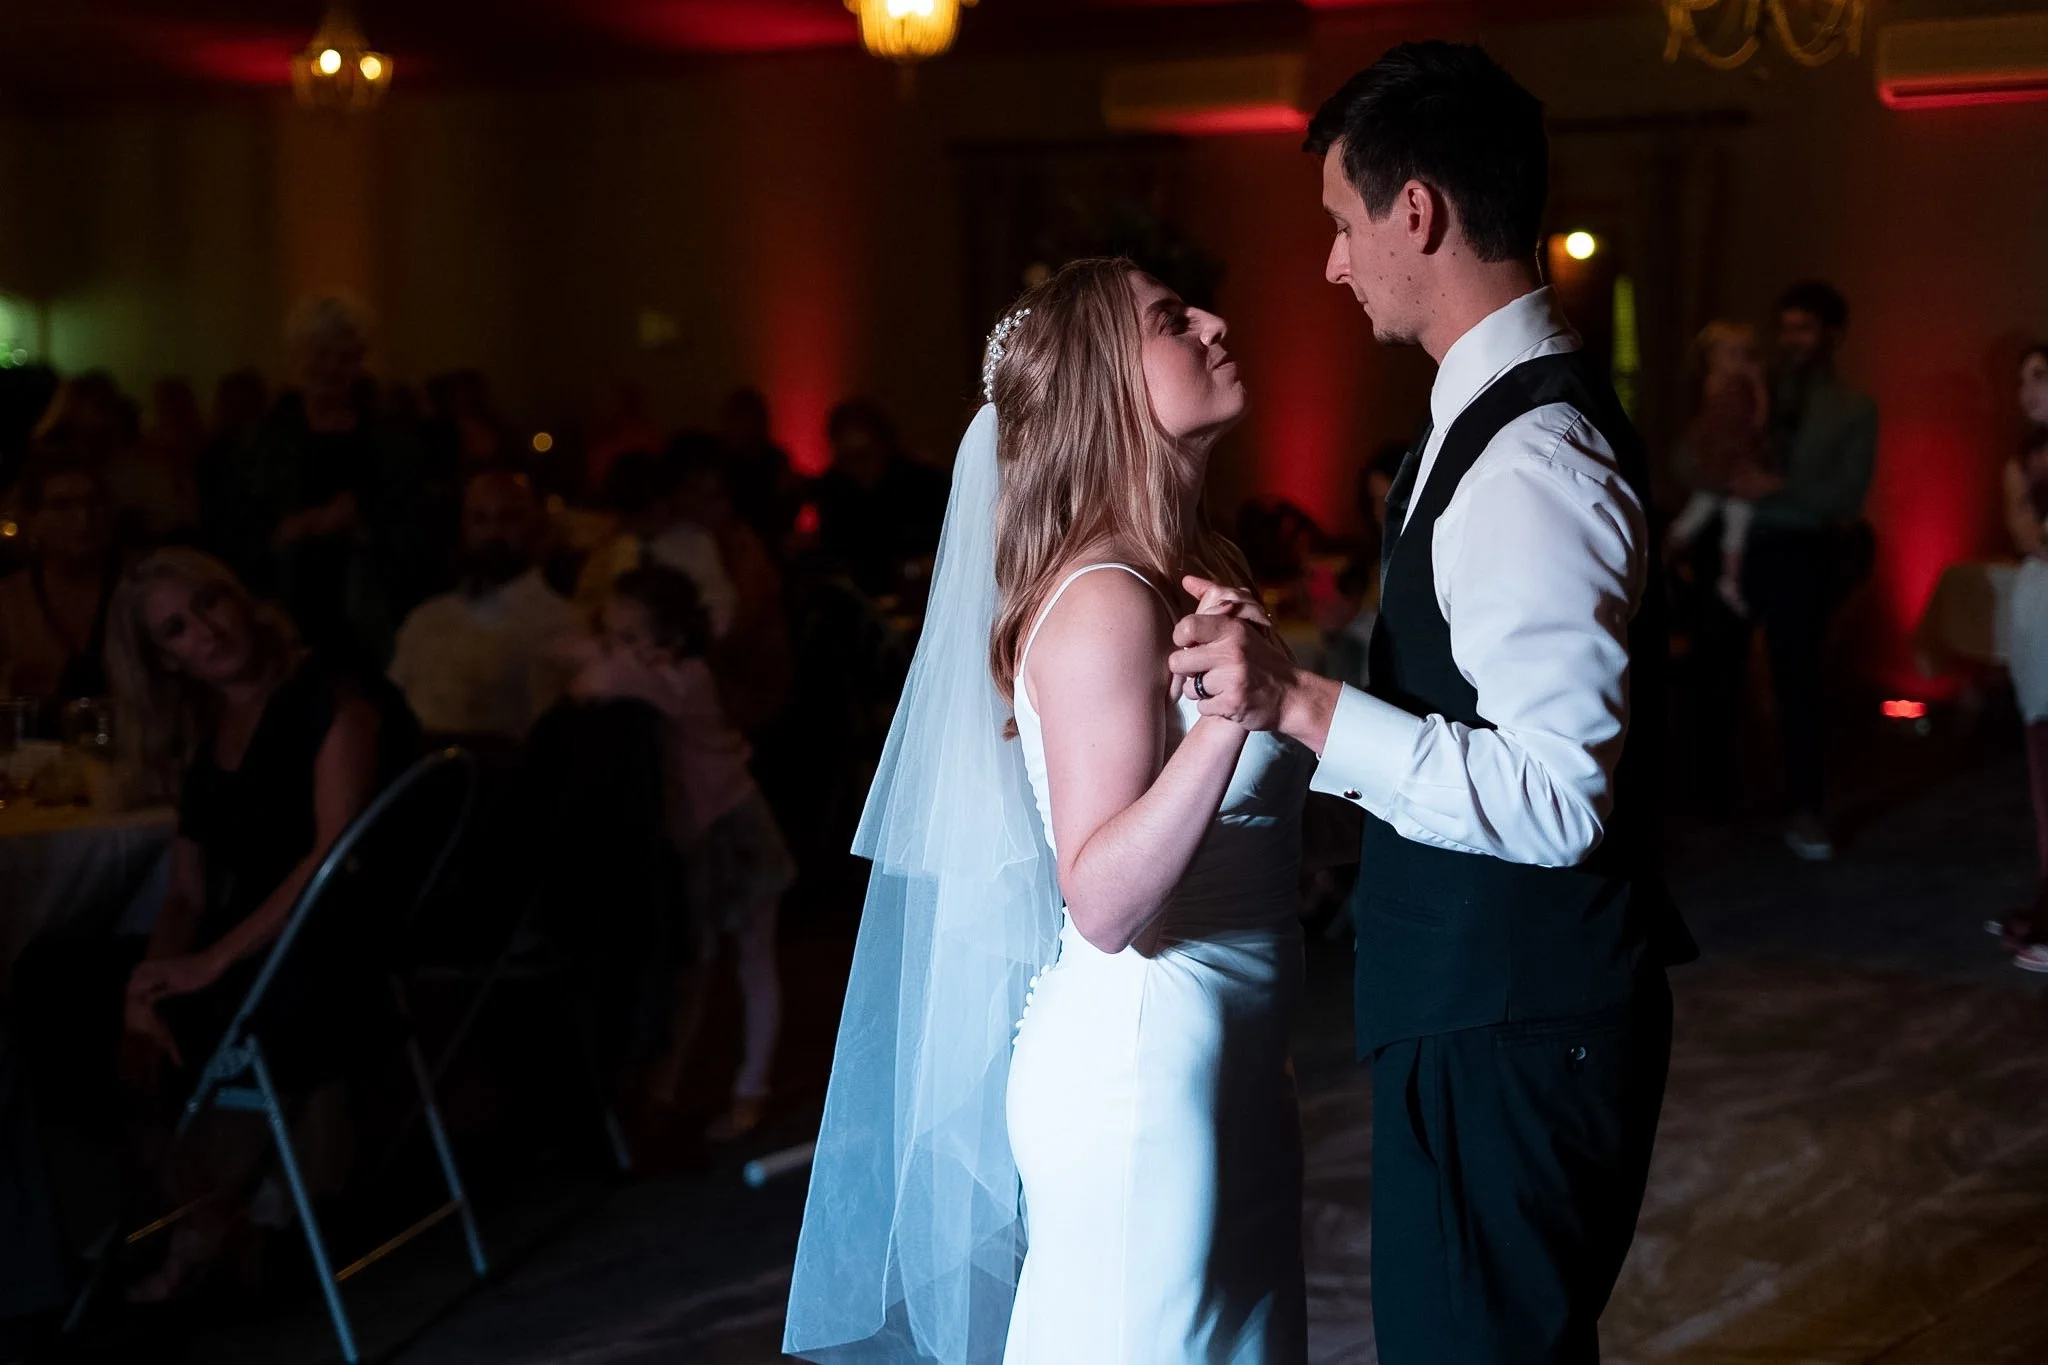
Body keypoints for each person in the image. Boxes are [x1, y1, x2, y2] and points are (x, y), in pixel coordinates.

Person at [1169, 43, 1694, 1364]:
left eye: (1344, 226)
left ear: (1419, 212)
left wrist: (1297, 703)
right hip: (1486, 1004)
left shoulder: (1528, 458)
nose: (1334, 265)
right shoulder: (1487, 423)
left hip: (1511, 1020)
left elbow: (1556, 792)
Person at [788, 258, 1310, 1363]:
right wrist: (1230, 721)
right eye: (1173, 320)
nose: (1216, 323)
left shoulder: (1189, 569)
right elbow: (1101, 898)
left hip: (1231, 1062)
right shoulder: (1104, 600)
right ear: (1105, 391)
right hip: (1142, 1075)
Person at [13, 548, 416, 1301]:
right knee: (52, 988)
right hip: (251, 932)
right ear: (164, 660)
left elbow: (338, 856)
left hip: (333, 933)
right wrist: (147, 983)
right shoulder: (208, 731)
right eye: (176, 629)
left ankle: (204, 1232)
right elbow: (186, 896)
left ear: (237, 597)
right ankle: (209, 1215)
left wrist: (209, 963)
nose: (204, 630)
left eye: (207, 604)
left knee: (177, 1004)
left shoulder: (329, 687)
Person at [567, 563, 794, 1138]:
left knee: (751, 960)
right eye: (611, 635)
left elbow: (583, 681)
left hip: (735, 830)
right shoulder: (667, 671)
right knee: (699, 963)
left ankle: (750, 1090)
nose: (618, 650)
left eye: (629, 638)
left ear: (669, 639)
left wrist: (609, 656)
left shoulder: (678, 680)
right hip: (710, 831)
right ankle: (667, 1090)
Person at [1683, 280, 1877, 860]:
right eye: (1786, 327)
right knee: (1715, 677)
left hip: (1799, 551)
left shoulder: (1852, 409)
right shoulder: (1745, 386)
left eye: (1806, 328)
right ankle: (1710, 803)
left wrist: (1772, 493)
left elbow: (1844, 495)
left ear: (1833, 336)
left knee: (1800, 683)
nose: (1793, 340)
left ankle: (1804, 807)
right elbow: (1692, 456)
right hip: (1734, 545)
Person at [224, 295, 429, 667]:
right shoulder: (261, 441)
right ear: (296, 357)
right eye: (320, 353)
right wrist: (304, 526)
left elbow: (415, 528)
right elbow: (236, 531)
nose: (331, 367)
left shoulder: (389, 439)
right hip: (283, 610)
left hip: (370, 616)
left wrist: (366, 523)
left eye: (345, 356)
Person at [387, 468, 582, 740]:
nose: (493, 533)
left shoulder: (559, 624)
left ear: (534, 526)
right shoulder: (427, 618)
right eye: (480, 519)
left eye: (508, 519)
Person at [668, 432, 793, 735]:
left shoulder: (743, 552)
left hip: (748, 703)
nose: (698, 506)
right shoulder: (680, 546)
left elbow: (734, 638)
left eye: (712, 497)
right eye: (691, 493)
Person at [1997, 344, 2048, 972]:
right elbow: (2025, 533)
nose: (2027, 390)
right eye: (2023, 380)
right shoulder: (2023, 456)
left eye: (2040, 377)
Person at [1666, 321, 1772, 615]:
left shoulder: (1726, 388)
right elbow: (1751, 427)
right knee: (1720, 520)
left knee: (1716, 521)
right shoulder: (1726, 391)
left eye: (1744, 354)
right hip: (1726, 473)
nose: (1740, 361)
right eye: (1732, 353)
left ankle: (1724, 578)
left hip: (1726, 474)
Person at [574, 449, 737, 637]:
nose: (623, 524)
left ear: (658, 507)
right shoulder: (609, 551)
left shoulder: (694, 544)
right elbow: (586, 608)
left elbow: (718, 606)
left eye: (634, 518)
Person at [0, 454, 121, 707]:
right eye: (62, 506)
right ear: (33, 519)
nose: (83, 519)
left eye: (94, 503)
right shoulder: (9, 601)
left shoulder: (140, 591)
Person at [810, 399, 948, 600]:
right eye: (848, 457)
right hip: (853, 604)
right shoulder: (834, 489)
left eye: (865, 454)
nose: (858, 466)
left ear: (883, 445)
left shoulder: (922, 483)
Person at [716, 387, 800, 550]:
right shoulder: (716, 460)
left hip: (769, 541)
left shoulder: (775, 460)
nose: (743, 428)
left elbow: (787, 508)